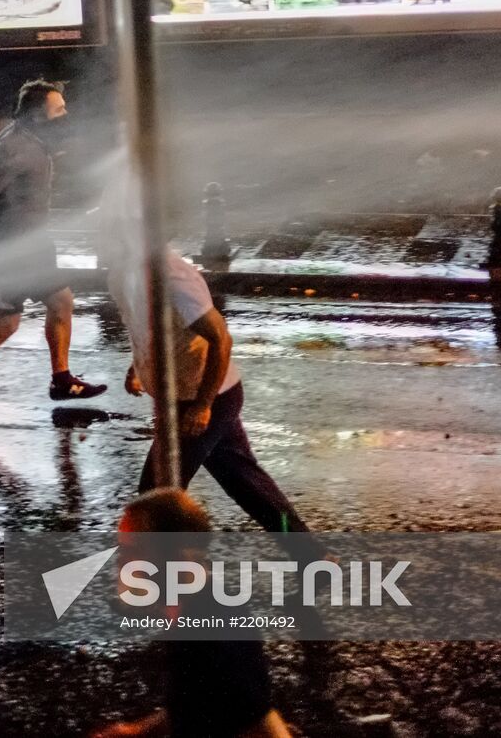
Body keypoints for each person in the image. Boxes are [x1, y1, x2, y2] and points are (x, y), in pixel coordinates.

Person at [99, 169, 313, 542]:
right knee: (245, 482)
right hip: (188, 392)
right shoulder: (126, 268)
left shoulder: (171, 276)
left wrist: (202, 406)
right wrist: (139, 365)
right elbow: (149, 324)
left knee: (156, 491)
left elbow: (220, 340)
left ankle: (161, 576)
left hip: (202, 396)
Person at [0, 79, 105, 419]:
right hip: (5, 249)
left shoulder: (34, 138)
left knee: (61, 301)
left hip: (32, 243)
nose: (65, 114)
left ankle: (61, 379)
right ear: (37, 116)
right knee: (6, 324)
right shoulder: (14, 146)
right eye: (58, 109)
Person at [89, 488, 292, 738]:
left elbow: (256, 721)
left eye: (135, 550)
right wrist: (135, 731)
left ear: (176, 558)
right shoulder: (192, 610)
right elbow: (200, 708)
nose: (120, 562)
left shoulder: (216, 638)